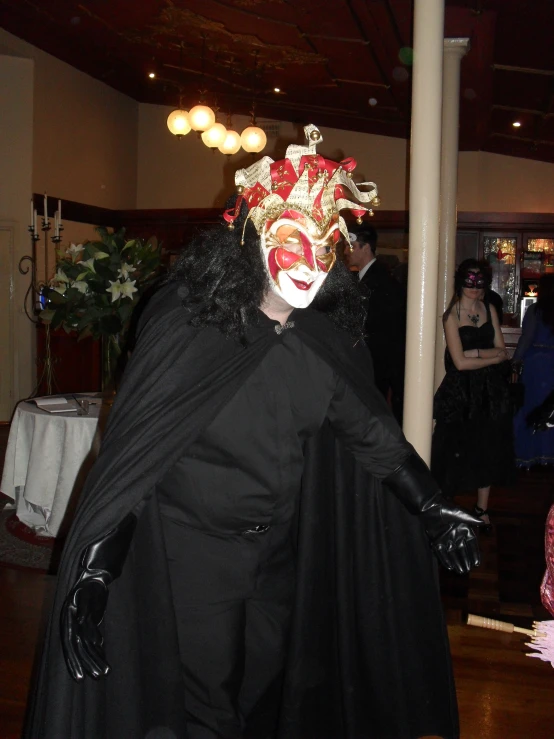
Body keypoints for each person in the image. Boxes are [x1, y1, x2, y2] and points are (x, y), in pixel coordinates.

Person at [25, 126, 482, 739]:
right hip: (192, 557)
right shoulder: (191, 333)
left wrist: (432, 506)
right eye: (292, 240)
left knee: (268, 698)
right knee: (204, 711)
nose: (308, 263)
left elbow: (373, 438)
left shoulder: (321, 347)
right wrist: (95, 569)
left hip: (278, 555)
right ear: (254, 238)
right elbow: (137, 465)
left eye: (324, 248)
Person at [432, 259, 515, 530]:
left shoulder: (489, 309)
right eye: (470, 281)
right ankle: (447, 509)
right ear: (460, 281)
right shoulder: (451, 316)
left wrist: (477, 354)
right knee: (454, 450)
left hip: (489, 393)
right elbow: (459, 363)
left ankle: (482, 509)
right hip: (460, 394)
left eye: (480, 282)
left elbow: (503, 353)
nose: (475, 287)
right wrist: (488, 355)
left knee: (487, 449)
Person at [344, 225, 406, 423]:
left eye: (351, 246)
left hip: (376, 367)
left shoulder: (380, 283)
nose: (346, 251)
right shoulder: (366, 279)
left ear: (366, 248)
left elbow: (381, 333)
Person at [513, 274, 554, 468]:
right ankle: (548, 454)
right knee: (550, 409)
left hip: (536, 364)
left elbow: (526, 339)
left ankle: (528, 456)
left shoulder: (535, 311)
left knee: (530, 408)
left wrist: (515, 361)